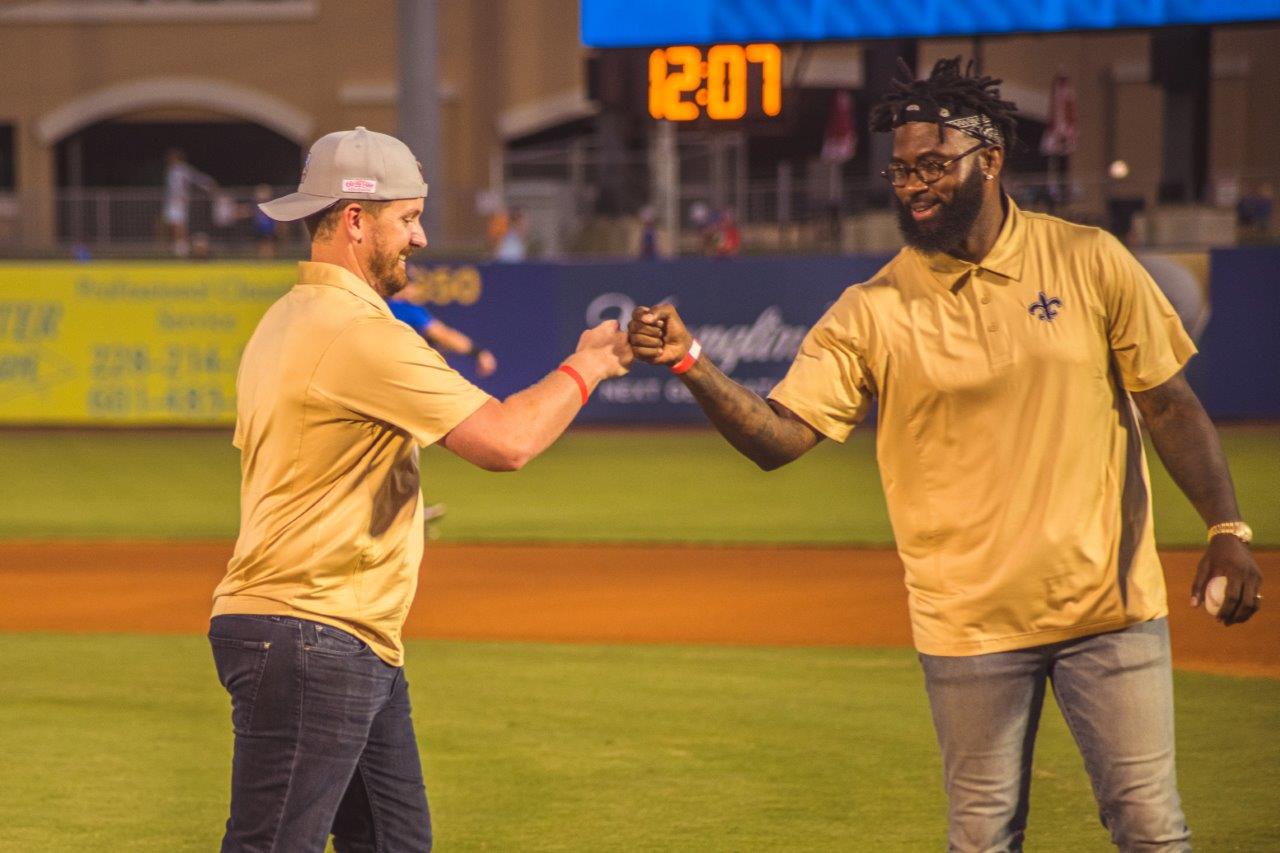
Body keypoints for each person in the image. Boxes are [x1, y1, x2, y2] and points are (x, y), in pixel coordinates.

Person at [628, 58, 1262, 852]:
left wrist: (1226, 528)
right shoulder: (872, 309)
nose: (914, 185)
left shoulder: (1089, 258)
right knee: (981, 839)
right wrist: (691, 362)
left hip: (1111, 610)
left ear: (988, 158)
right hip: (967, 625)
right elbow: (779, 436)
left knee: (1151, 827)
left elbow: (1168, 403)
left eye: (933, 164)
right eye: (900, 171)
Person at [209, 126, 630, 852]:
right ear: (354, 220)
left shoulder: (282, 323)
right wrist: (588, 365)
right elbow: (506, 441)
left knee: (396, 843)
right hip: (315, 630)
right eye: (407, 218)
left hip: (341, 632)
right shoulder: (359, 334)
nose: (421, 236)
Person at [163, 148, 217, 257]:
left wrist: (208, 184)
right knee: (172, 224)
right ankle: (178, 246)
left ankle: (182, 249)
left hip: (179, 201)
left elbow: (196, 178)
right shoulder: (171, 170)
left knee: (179, 224)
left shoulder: (182, 169)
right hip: (172, 201)